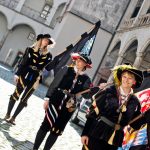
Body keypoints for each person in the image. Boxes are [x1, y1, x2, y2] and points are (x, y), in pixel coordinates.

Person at [33, 52, 100, 150]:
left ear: (86, 64)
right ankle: (35, 148)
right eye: (78, 59)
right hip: (56, 100)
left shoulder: (86, 79)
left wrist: (96, 89)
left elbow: (86, 95)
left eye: (81, 61)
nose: (78, 61)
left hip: (69, 107)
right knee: (45, 125)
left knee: (56, 130)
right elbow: (54, 84)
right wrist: (47, 98)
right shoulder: (66, 69)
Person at [81, 64, 150, 150]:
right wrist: (85, 133)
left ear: (134, 81)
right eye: (124, 77)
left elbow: (135, 125)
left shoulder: (135, 101)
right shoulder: (108, 92)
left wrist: (147, 114)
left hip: (115, 140)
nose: (126, 80)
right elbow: (92, 114)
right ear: (120, 78)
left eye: (130, 78)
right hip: (97, 133)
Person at [4, 34, 55, 125]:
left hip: (36, 78)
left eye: (48, 41)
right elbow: (23, 62)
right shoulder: (30, 49)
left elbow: (48, 68)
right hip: (25, 74)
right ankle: (8, 114)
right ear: (41, 39)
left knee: (25, 99)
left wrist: (56, 61)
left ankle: (13, 118)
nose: (46, 42)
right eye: (45, 40)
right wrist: (17, 74)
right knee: (16, 94)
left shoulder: (49, 55)